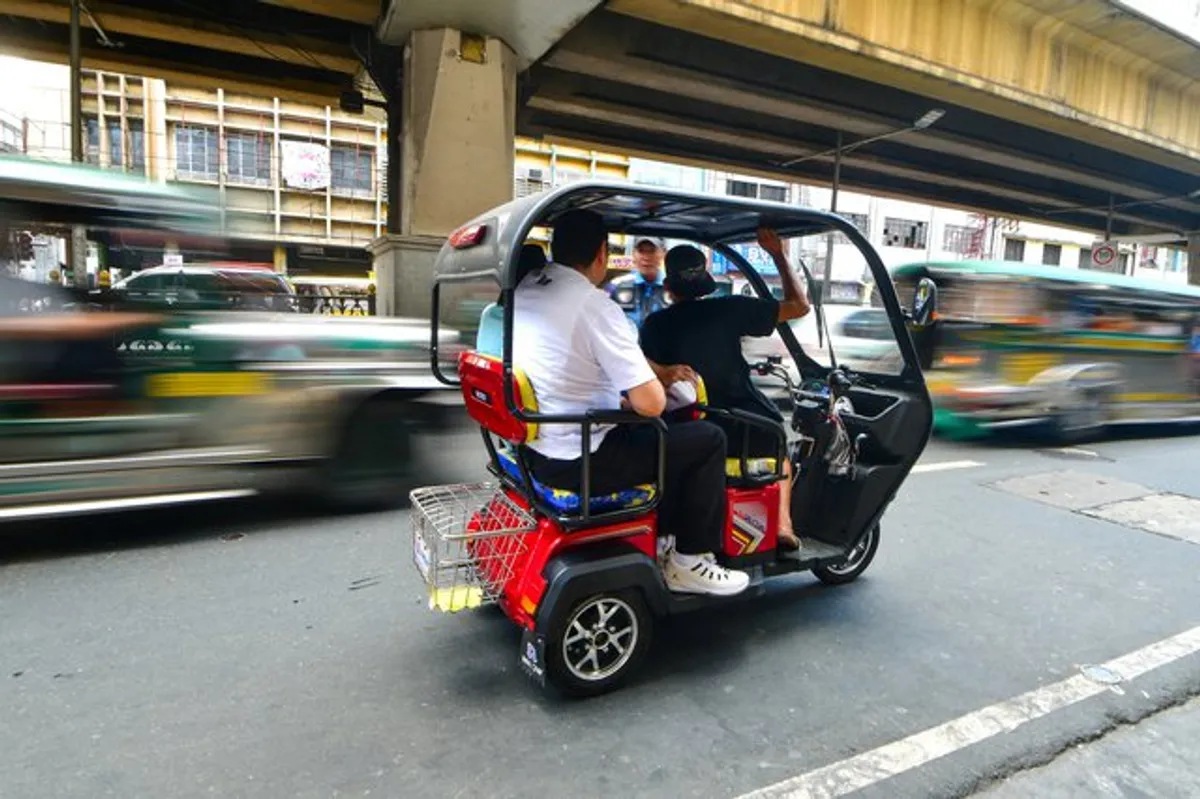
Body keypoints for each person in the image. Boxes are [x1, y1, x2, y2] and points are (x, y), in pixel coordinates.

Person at [513, 209, 750, 596]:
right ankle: (689, 561)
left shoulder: (529, 289)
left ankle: (665, 539)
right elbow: (652, 404)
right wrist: (648, 390)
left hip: (539, 448)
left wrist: (622, 397)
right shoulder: (593, 304)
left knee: (669, 439)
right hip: (581, 458)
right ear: (602, 253)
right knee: (707, 438)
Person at [639, 228, 811, 550]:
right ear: (706, 282)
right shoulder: (730, 308)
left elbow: (642, 370)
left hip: (689, 428)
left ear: (668, 287)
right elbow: (799, 306)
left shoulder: (654, 325)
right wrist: (778, 255)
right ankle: (783, 525)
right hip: (746, 428)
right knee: (779, 439)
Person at [606, 235, 670, 328]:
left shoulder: (674, 286)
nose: (646, 257)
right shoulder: (616, 286)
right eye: (641, 251)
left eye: (651, 251)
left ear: (664, 253)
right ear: (633, 253)